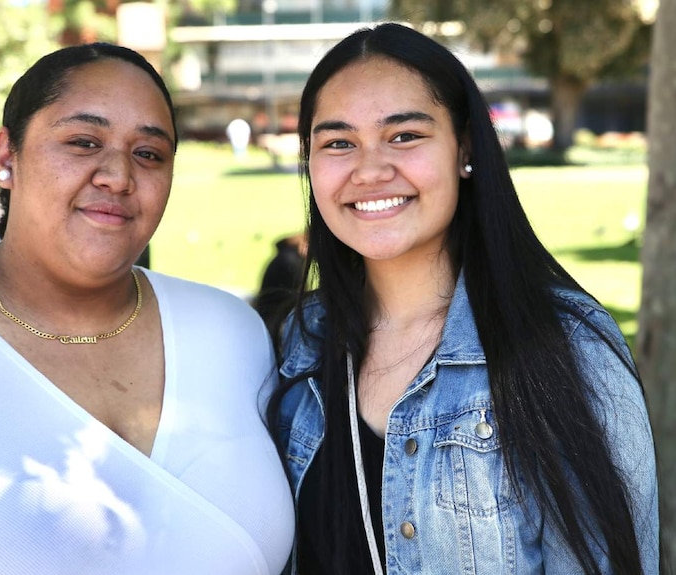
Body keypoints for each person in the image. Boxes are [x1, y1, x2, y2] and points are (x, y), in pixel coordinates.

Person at [0, 43, 294, 574]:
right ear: (6, 157)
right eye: (83, 142)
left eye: (149, 154)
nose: (118, 175)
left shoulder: (231, 334)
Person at [268, 23, 658, 574]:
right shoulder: (298, 340)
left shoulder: (566, 346)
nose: (371, 169)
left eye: (404, 136)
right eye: (338, 142)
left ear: (465, 149)